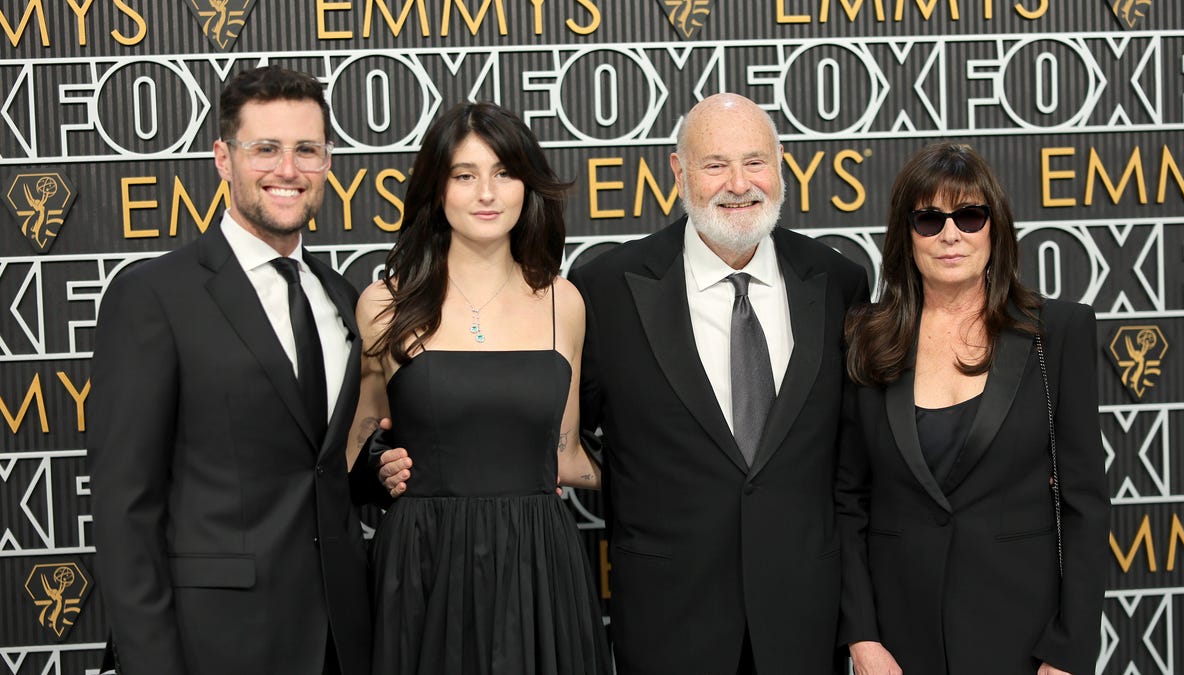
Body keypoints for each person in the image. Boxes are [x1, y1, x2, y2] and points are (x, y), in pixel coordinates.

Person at [570, 93, 868, 673]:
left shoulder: (837, 284)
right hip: (667, 621)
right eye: (715, 164)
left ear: (780, 167)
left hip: (806, 622)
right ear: (679, 171)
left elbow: (854, 462)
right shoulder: (606, 288)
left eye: (755, 161)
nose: (739, 183)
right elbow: (563, 432)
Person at [89, 65, 372, 674]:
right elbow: (124, 506)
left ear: (327, 161)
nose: (287, 170)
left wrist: (377, 472)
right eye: (264, 149)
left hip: (341, 641)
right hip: (214, 643)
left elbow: (316, 463)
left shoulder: (341, 297)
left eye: (307, 150)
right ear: (223, 158)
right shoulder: (155, 296)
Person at [350, 101, 610, 674]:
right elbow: (354, 444)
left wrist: (673, 475)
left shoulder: (563, 303)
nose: (486, 193)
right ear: (436, 190)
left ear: (527, 186)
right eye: (465, 175)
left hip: (539, 563)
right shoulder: (384, 305)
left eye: (504, 173)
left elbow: (566, 456)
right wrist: (375, 468)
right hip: (423, 560)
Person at [837, 142, 1109, 675]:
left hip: (1024, 636)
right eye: (929, 219)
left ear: (995, 227)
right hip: (899, 639)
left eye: (969, 214)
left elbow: (1085, 507)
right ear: (905, 236)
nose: (950, 234)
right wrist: (862, 636)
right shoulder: (864, 337)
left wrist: (1068, 650)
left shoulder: (1057, 334)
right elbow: (847, 500)